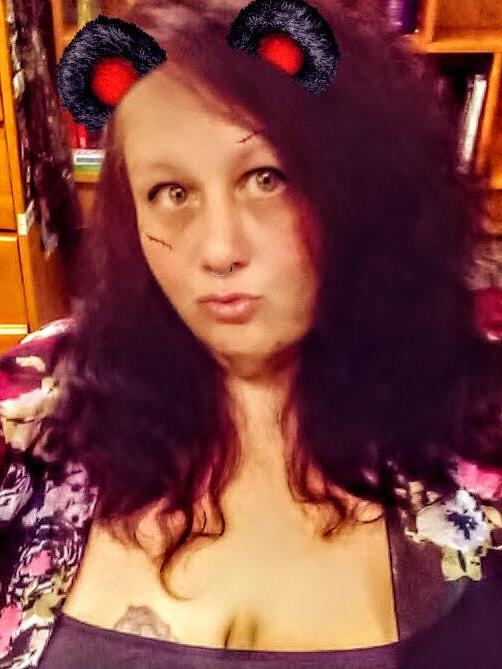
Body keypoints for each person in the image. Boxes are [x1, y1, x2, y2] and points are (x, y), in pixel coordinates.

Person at [1, 0, 502, 667]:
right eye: (172, 193)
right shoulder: (31, 421)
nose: (219, 250)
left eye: (266, 180)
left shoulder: (475, 430)